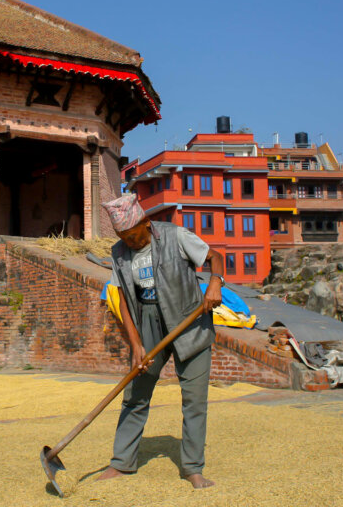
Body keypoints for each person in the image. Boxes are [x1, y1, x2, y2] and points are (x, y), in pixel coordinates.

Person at [98, 192, 225, 489]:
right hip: (148, 325)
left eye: (133, 236)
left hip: (188, 321)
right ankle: (121, 463)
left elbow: (215, 257)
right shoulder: (118, 253)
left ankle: (193, 468)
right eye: (123, 238)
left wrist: (216, 283)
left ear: (146, 222)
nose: (130, 243)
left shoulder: (174, 236)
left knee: (194, 400)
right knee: (135, 395)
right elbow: (122, 302)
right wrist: (135, 345)